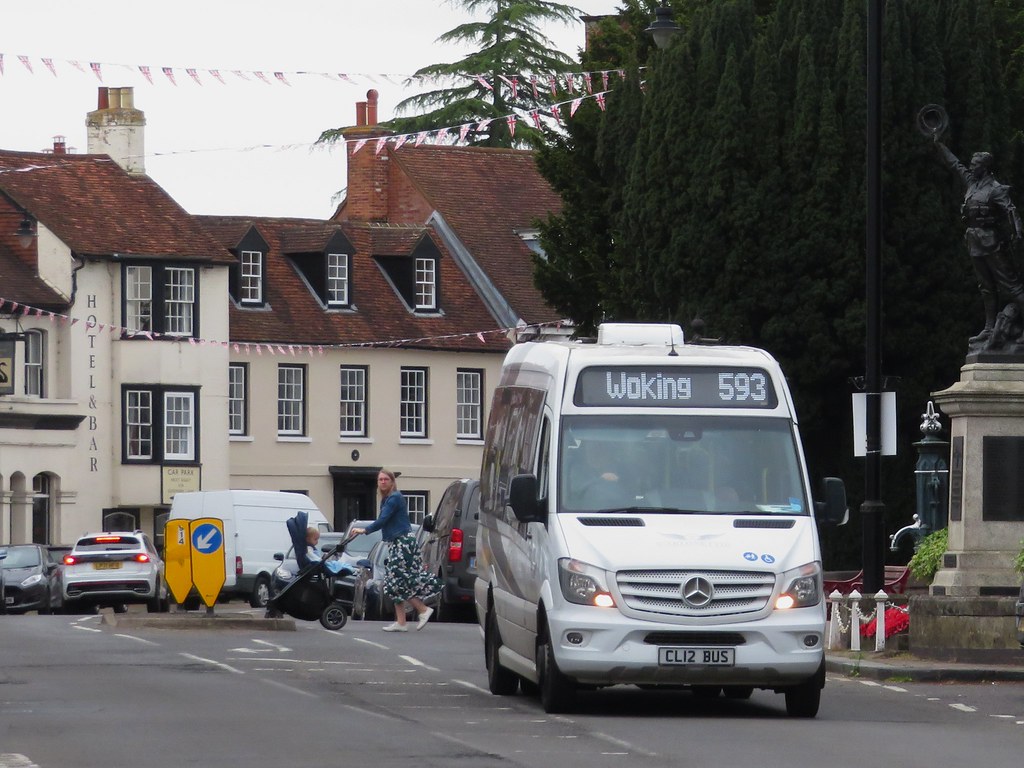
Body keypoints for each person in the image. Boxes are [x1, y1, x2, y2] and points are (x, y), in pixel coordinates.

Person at [935, 139, 1024, 345]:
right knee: (986, 287)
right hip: (974, 241)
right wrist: (938, 143)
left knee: (1011, 287)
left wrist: (1018, 234)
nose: (971, 167)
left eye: (975, 165)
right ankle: (989, 327)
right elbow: (955, 164)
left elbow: (1011, 210)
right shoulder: (971, 183)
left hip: (992, 242)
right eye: (972, 165)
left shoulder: (995, 189)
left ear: (985, 168)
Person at [349, 469, 441, 632]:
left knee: (398, 580)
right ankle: (401, 622)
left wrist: (364, 530)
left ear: (392, 482)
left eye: (386, 479)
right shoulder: (386, 500)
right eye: (380, 480)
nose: (383, 482)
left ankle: (423, 609)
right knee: (392, 582)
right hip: (395, 543)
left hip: (403, 543)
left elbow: (382, 520)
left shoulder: (394, 498)